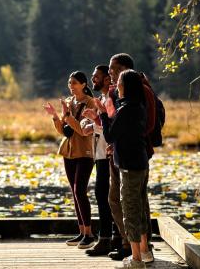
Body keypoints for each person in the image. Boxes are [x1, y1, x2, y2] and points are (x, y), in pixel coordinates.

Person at [102, 53, 156, 262]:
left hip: (130, 161)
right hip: (138, 159)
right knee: (138, 206)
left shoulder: (130, 105)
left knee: (131, 208)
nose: (111, 76)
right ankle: (143, 251)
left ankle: (136, 257)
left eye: (115, 72)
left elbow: (111, 134)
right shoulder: (137, 105)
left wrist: (105, 115)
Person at [43, 71, 97, 249]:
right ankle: (82, 232)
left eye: (74, 83)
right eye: (69, 83)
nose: (71, 86)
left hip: (85, 151)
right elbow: (64, 131)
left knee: (80, 190)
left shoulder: (90, 103)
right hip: (69, 151)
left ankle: (89, 234)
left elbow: (82, 130)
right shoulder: (70, 101)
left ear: (83, 84)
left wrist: (67, 115)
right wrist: (56, 116)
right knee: (75, 193)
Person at [81, 65, 120, 256]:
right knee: (104, 197)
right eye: (92, 76)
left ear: (107, 79)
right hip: (101, 155)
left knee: (106, 198)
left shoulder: (111, 98)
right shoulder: (104, 99)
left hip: (108, 155)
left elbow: (111, 128)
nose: (92, 79)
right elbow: (103, 126)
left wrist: (95, 121)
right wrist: (92, 122)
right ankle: (111, 238)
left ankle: (108, 239)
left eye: (96, 77)